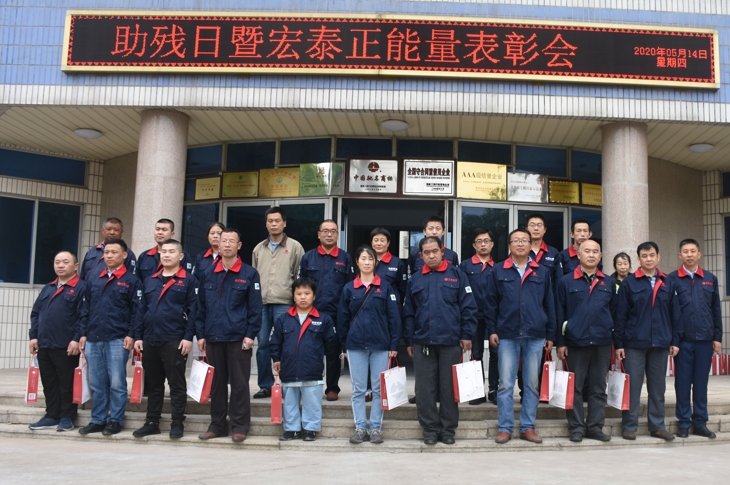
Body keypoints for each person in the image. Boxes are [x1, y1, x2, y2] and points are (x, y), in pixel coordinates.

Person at [403, 236, 477, 445]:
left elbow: (468, 307)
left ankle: (448, 430)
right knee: (424, 390)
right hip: (423, 342)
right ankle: (429, 429)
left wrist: (467, 334)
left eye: (435, 251)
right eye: (426, 253)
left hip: (451, 342)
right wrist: (409, 341)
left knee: (449, 388)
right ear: (421, 255)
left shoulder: (457, 275)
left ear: (442, 251)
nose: (431, 255)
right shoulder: (415, 279)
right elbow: (408, 313)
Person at [486, 228, 556, 445]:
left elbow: (549, 304)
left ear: (530, 244)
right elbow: (491, 304)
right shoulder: (499, 270)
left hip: (535, 335)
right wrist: (492, 330)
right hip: (507, 334)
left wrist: (551, 334)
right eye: (515, 240)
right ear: (509, 245)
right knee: (505, 384)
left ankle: (528, 426)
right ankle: (505, 428)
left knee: (531, 384)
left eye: (524, 240)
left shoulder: (542, 272)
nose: (520, 244)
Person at [195, 228, 263, 443]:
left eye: (231, 241)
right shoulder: (207, 273)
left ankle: (240, 426)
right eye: (223, 241)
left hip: (238, 338)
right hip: (213, 336)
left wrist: (250, 335)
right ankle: (217, 425)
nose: (226, 245)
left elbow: (255, 309)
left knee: (240, 384)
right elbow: (200, 307)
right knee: (217, 385)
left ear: (239, 246)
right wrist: (201, 334)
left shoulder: (249, 274)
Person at [132, 239, 197, 440]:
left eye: (171, 251)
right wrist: (138, 336)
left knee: (176, 384)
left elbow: (194, 311)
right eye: (164, 251)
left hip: (174, 339)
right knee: (153, 384)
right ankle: (152, 422)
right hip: (150, 338)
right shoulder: (150, 280)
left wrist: (188, 337)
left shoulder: (188, 281)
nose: (167, 255)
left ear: (181, 256)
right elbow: (141, 310)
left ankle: (177, 422)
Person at [614, 241, 679, 441]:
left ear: (658, 257)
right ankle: (629, 426)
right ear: (639, 259)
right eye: (644, 256)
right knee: (633, 387)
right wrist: (619, 344)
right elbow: (620, 316)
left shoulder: (668, 282)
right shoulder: (629, 283)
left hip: (660, 343)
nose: (648, 259)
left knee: (658, 387)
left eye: (652, 255)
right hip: (634, 344)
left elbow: (675, 314)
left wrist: (675, 341)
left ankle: (657, 426)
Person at [78, 239, 142, 436]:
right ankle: (98, 419)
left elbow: (137, 311)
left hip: (118, 338)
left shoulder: (132, 281)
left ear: (124, 255)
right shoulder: (93, 278)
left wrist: (131, 334)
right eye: (106, 252)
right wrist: (82, 333)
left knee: (116, 383)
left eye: (114, 252)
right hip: (93, 337)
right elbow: (84, 308)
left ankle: (115, 420)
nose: (109, 256)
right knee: (96, 382)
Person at [338, 246, 401, 445]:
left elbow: (394, 318)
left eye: (370, 259)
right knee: (358, 389)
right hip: (356, 345)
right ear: (357, 262)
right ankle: (359, 427)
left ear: (375, 262)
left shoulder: (386, 287)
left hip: (380, 345)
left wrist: (394, 344)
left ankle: (375, 427)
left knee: (378, 389)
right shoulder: (349, 288)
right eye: (363, 258)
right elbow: (342, 319)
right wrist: (344, 345)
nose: (367, 262)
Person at [556, 239, 614, 443]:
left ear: (600, 256)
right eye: (587, 251)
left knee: (598, 387)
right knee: (575, 387)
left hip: (602, 342)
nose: (591, 255)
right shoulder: (566, 281)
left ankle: (595, 427)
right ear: (578, 255)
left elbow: (616, 313)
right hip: (576, 342)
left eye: (595, 251)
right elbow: (560, 312)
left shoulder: (609, 282)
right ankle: (576, 427)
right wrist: (561, 342)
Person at [270, 278, 337, 442]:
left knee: (312, 402)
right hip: (289, 369)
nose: (303, 297)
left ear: (314, 296)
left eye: (307, 293)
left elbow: (331, 345)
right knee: (290, 402)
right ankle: (291, 429)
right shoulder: (283, 319)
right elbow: (275, 341)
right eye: (299, 293)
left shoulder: (324, 319)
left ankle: (310, 429)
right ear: (293, 296)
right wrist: (276, 358)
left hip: (312, 369)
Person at [28, 251, 88, 432]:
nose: (60, 265)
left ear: (75, 266)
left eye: (65, 262)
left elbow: (84, 316)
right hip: (44, 343)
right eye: (57, 262)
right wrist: (33, 336)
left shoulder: (81, 287)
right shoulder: (48, 287)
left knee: (66, 382)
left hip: (66, 345)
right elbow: (36, 313)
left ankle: (67, 417)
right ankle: (51, 415)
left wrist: (76, 339)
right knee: (49, 382)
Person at [669, 238, 722, 439]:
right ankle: (684, 422)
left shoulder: (710, 278)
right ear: (680, 255)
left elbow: (716, 309)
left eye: (693, 251)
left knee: (701, 383)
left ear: (699, 254)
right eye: (685, 251)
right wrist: (674, 340)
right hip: (683, 342)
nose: (689, 254)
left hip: (705, 340)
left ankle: (700, 422)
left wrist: (717, 337)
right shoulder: (672, 279)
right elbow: (671, 312)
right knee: (682, 383)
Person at [251, 207, 305, 399]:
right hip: (262, 303)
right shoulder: (258, 249)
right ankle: (266, 385)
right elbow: (254, 278)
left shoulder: (295, 247)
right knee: (263, 345)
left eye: (277, 221)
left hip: (285, 302)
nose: (273, 224)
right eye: (270, 221)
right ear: (266, 224)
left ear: (284, 223)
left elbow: (300, 276)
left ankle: (288, 383)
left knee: (286, 344)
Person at [299, 219, 353, 401]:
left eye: (333, 231)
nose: (329, 234)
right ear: (319, 234)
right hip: (312, 313)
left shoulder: (345, 258)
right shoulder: (308, 257)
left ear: (338, 234)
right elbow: (301, 286)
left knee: (333, 353)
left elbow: (350, 287)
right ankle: (311, 386)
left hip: (337, 314)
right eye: (325, 231)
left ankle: (332, 388)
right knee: (310, 351)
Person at [458, 228, 495, 405]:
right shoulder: (465, 266)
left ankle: (494, 390)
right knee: (476, 353)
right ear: (474, 245)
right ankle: (477, 391)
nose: (483, 244)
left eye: (486, 241)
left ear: (492, 244)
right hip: (473, 316)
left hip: (494, 316)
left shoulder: (498, 267)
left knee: (496, 353)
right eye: (479, 241)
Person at [370, 227, 408, 302]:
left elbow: (403, 289)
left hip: (390, 304)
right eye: (376, 240)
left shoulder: (397, 263)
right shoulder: (365, 262)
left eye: (382, 240)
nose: (379, 244)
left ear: (388, 243)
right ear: (371, 243)